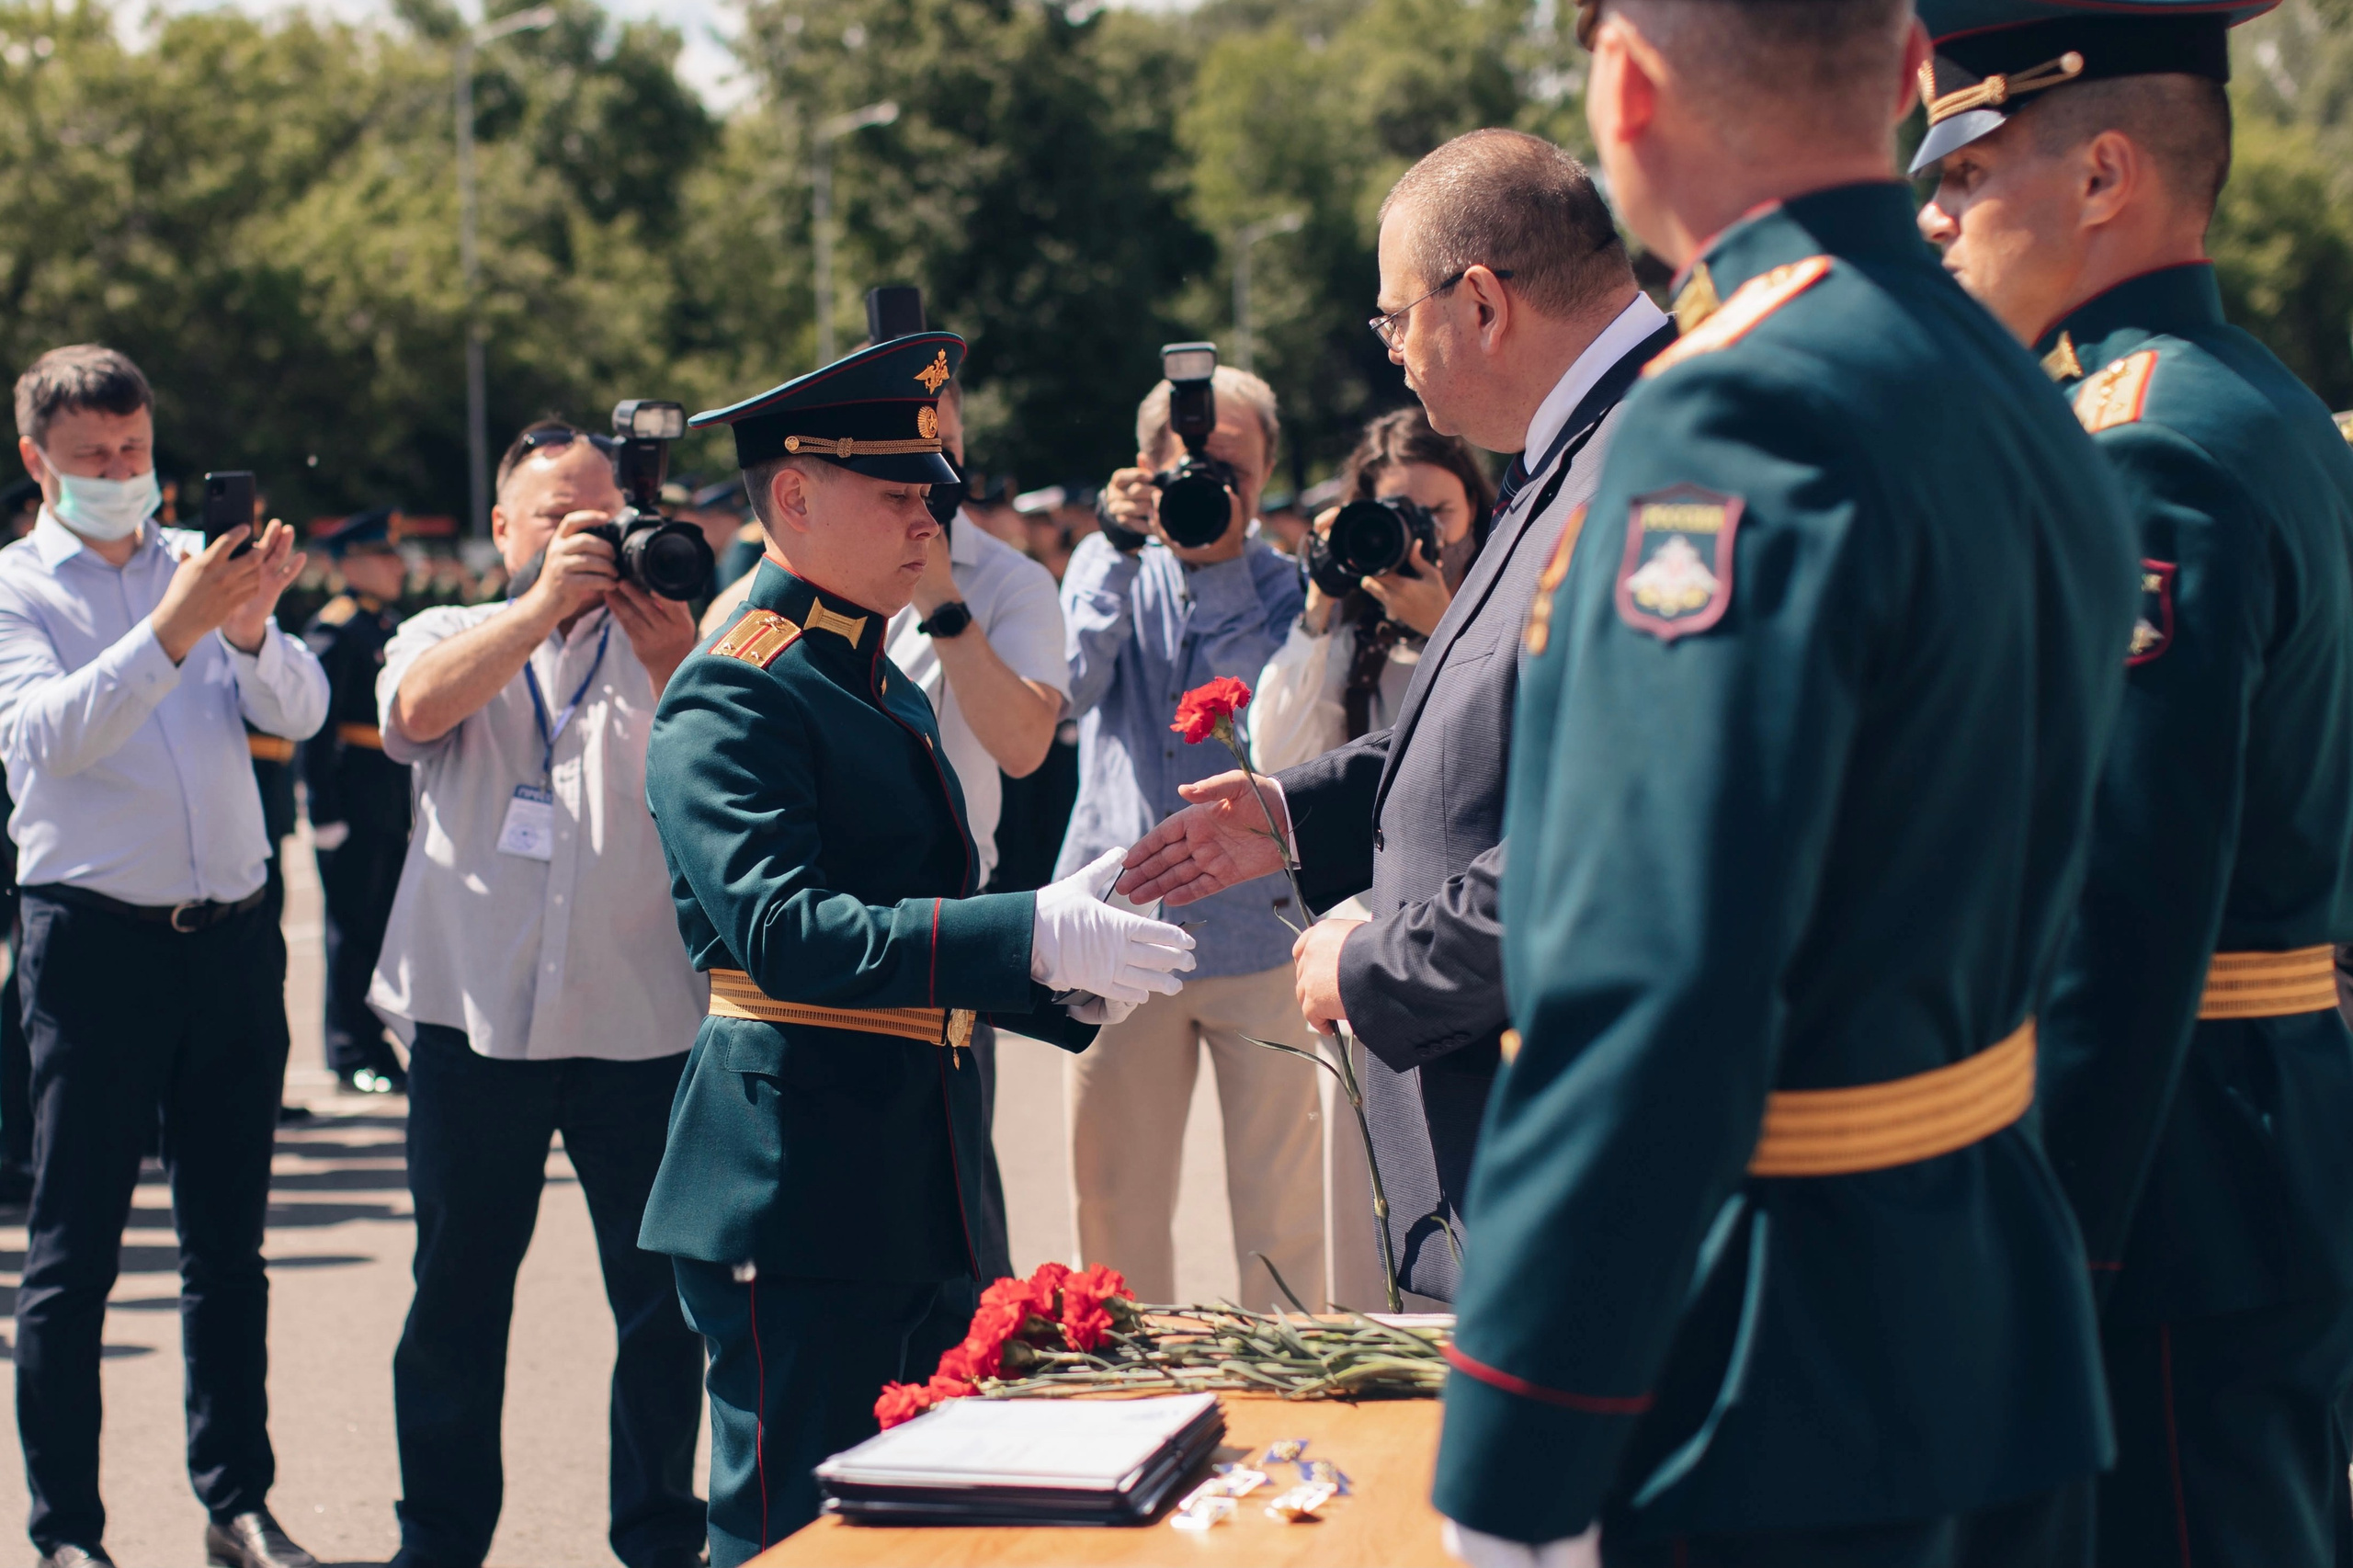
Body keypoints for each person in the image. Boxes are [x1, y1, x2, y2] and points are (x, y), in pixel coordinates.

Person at [1428, 0, 2144, 1559]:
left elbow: (1647, 983)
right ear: (1905, 76)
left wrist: (1519, 1450)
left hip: (1770, 1362)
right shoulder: (2014, 378)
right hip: (1990, 1311)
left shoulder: (1733, 410)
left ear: (1622, 84)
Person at [637, 331, 1193, 1563]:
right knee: (790, 1530)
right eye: (897, 494)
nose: (926, 525)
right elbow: (785, 932)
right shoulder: (739, 686)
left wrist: (1060, 979)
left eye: (934, 495)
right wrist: (1027, 931)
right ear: (792, 494)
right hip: (796, 1182)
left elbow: (914, 919)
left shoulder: (874, 677)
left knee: (920, 1523)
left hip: (912, 1165)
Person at [1915, 5, 2353, 1562]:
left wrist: (2041, 1258)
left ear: (2104, 173)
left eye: (1967, 170)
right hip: (2238, 1159)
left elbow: (2118, 909)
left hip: (2157, 1195)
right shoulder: (2251, 402)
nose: (1934, 213)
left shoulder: (2137, 448)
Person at [1121, 132, 1671, 1310]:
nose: (1392, 354)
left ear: (1477, 304)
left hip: (1557, 1160)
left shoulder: (1649, 458)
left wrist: (1374, 965)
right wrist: (1290, 809)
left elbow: (1616, 840)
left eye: (1391, 320)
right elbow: (1481, 732)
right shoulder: (1576, 450)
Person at [0, 345, 329, 1568]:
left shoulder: (200, 564)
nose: (120, 474)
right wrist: (172, 630)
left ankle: (235, 1498)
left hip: (230, 940)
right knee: (73, 1254)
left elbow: (294, 709)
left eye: (134, 451)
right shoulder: (16, 588)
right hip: (94, 946)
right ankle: (67, 1532)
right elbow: (48, 741)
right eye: (92, 459)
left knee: (226, 1249)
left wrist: (244, 631)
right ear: (38, 462)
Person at [369, 420, 709, 1568]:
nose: (590, 536)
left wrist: (676, 660)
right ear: (505, 527)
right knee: (456, 1298)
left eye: (605, 513)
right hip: (476, 1020)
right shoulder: (452, 627)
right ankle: (441, 1538)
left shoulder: (674, 638)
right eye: (562, 515)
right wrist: (533, 612)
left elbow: (731, 770)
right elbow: (412, 714)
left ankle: (660, 1529)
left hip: (642, 1017)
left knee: (662, 1305)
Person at [1061, 362, 1323, 1309]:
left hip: (1259, 935)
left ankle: (1284, 1394)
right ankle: (1133, 1401)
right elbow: (1065, 692)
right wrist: (1120, 549)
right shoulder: (1107, 563)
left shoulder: (1294, 593)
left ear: (1266, 479)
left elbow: (1269, 721)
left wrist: (1217, 570)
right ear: (1146, 465)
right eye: (1191, 466)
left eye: (1234, 472)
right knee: (1115, 1208)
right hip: (1117, 930)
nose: (1212, 486)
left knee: (1284, 1215)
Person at [1249, 408, 1496, 773]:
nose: (1426, 535)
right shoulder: (1359, 646)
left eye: (1440, 512)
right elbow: (1277, 761)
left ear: (1473, 507)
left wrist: (1444, 631)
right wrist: (1319, 605)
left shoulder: (1513, 608)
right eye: (1403, 517)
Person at [302, 506, 413, 1095]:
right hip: (353, 802)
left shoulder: (383, 623)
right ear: (350, 564)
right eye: (384, 555)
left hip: (387, 800)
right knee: (351, 929)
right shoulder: (337, 629)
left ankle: (373, 1044)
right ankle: (350, 1050)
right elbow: (315, 728)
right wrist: (325, 811)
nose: (398, 566)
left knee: (381, 925)